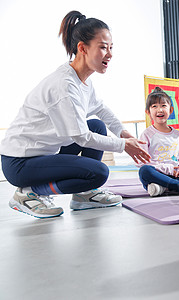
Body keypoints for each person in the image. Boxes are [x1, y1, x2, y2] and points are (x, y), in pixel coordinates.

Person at [0, 11, 151, 218]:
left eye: (111, 48)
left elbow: (100, 108)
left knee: (96, 125)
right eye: (103, 47)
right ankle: (29, 193)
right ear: (82, 48)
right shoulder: (65, 85)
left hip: (43, 155)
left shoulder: (82, 80)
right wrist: (123, 146)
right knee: (99, 172)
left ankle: (84, 196)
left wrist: (123, 133)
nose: (110, 54)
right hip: (20, 163)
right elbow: (80, 137)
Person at [138, 87, 179, 196]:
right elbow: (142, 162)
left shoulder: (178, 135)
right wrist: (169, 170)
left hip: (178, 175)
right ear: (148, 112)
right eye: (154, 106)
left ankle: (163, 188)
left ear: (170, 110)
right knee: (145, 171)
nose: (159, 110)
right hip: (158, 174)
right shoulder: (146, 134)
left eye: (163, 106)